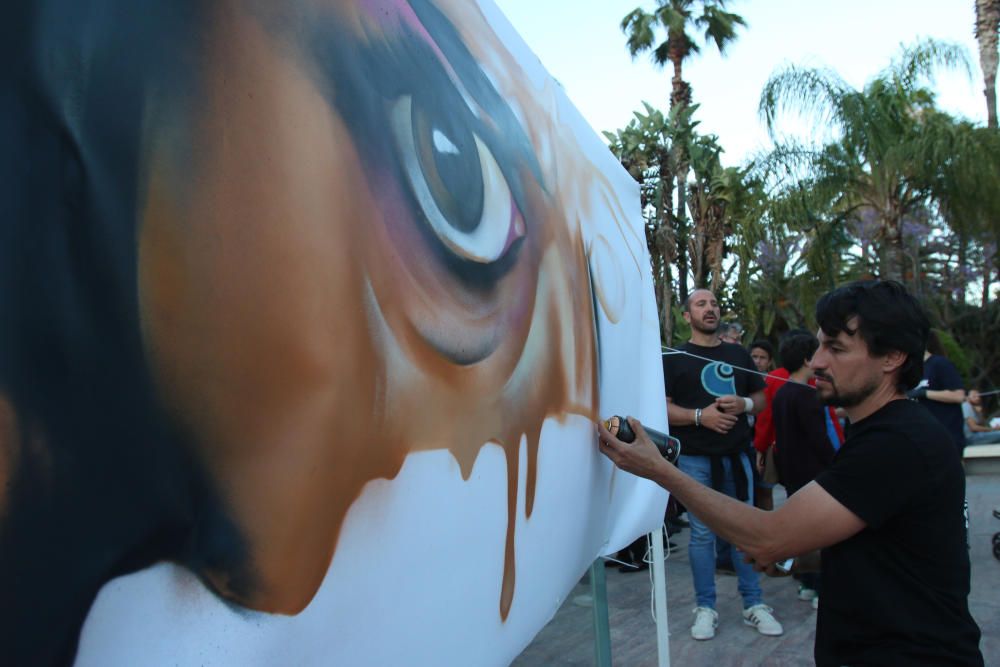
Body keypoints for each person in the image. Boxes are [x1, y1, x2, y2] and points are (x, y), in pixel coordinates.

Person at [601, 280, 983, 666]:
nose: (816, 361)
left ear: (892, 358)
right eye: (819, 345)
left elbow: (769, 538)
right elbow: (888, 546)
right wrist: (804, 556)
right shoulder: (883, 431)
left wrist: (660, 470)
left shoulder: (896, 442)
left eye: (836, 348)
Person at [661, 289, 782, 640]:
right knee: (701, 535)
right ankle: (706, 607)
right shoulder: (674, 357)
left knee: (745, 528)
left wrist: (742, 403)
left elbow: (760, 400)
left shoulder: (737, 353)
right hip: (696, 460)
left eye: (713, 304)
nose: (709, 309)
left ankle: (754, 604)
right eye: (701, 304)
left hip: (737, 457)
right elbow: (663, 408)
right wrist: (702, 417)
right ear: (687, 316)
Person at [771, 331, 835, 606]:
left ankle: (806, 584)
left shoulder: (783, 393)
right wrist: (835, 462)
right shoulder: (809, 395)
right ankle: (821, 587)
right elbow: (818, 437)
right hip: (815, 474)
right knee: (822, 533)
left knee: (803, 532)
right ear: (807, 360)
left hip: (792, 475)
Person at [908, 330, 966, 452]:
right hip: (922, 439)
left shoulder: (940, 364)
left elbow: (958, 396)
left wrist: (924, 393)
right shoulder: (911, 370)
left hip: (947, 438)